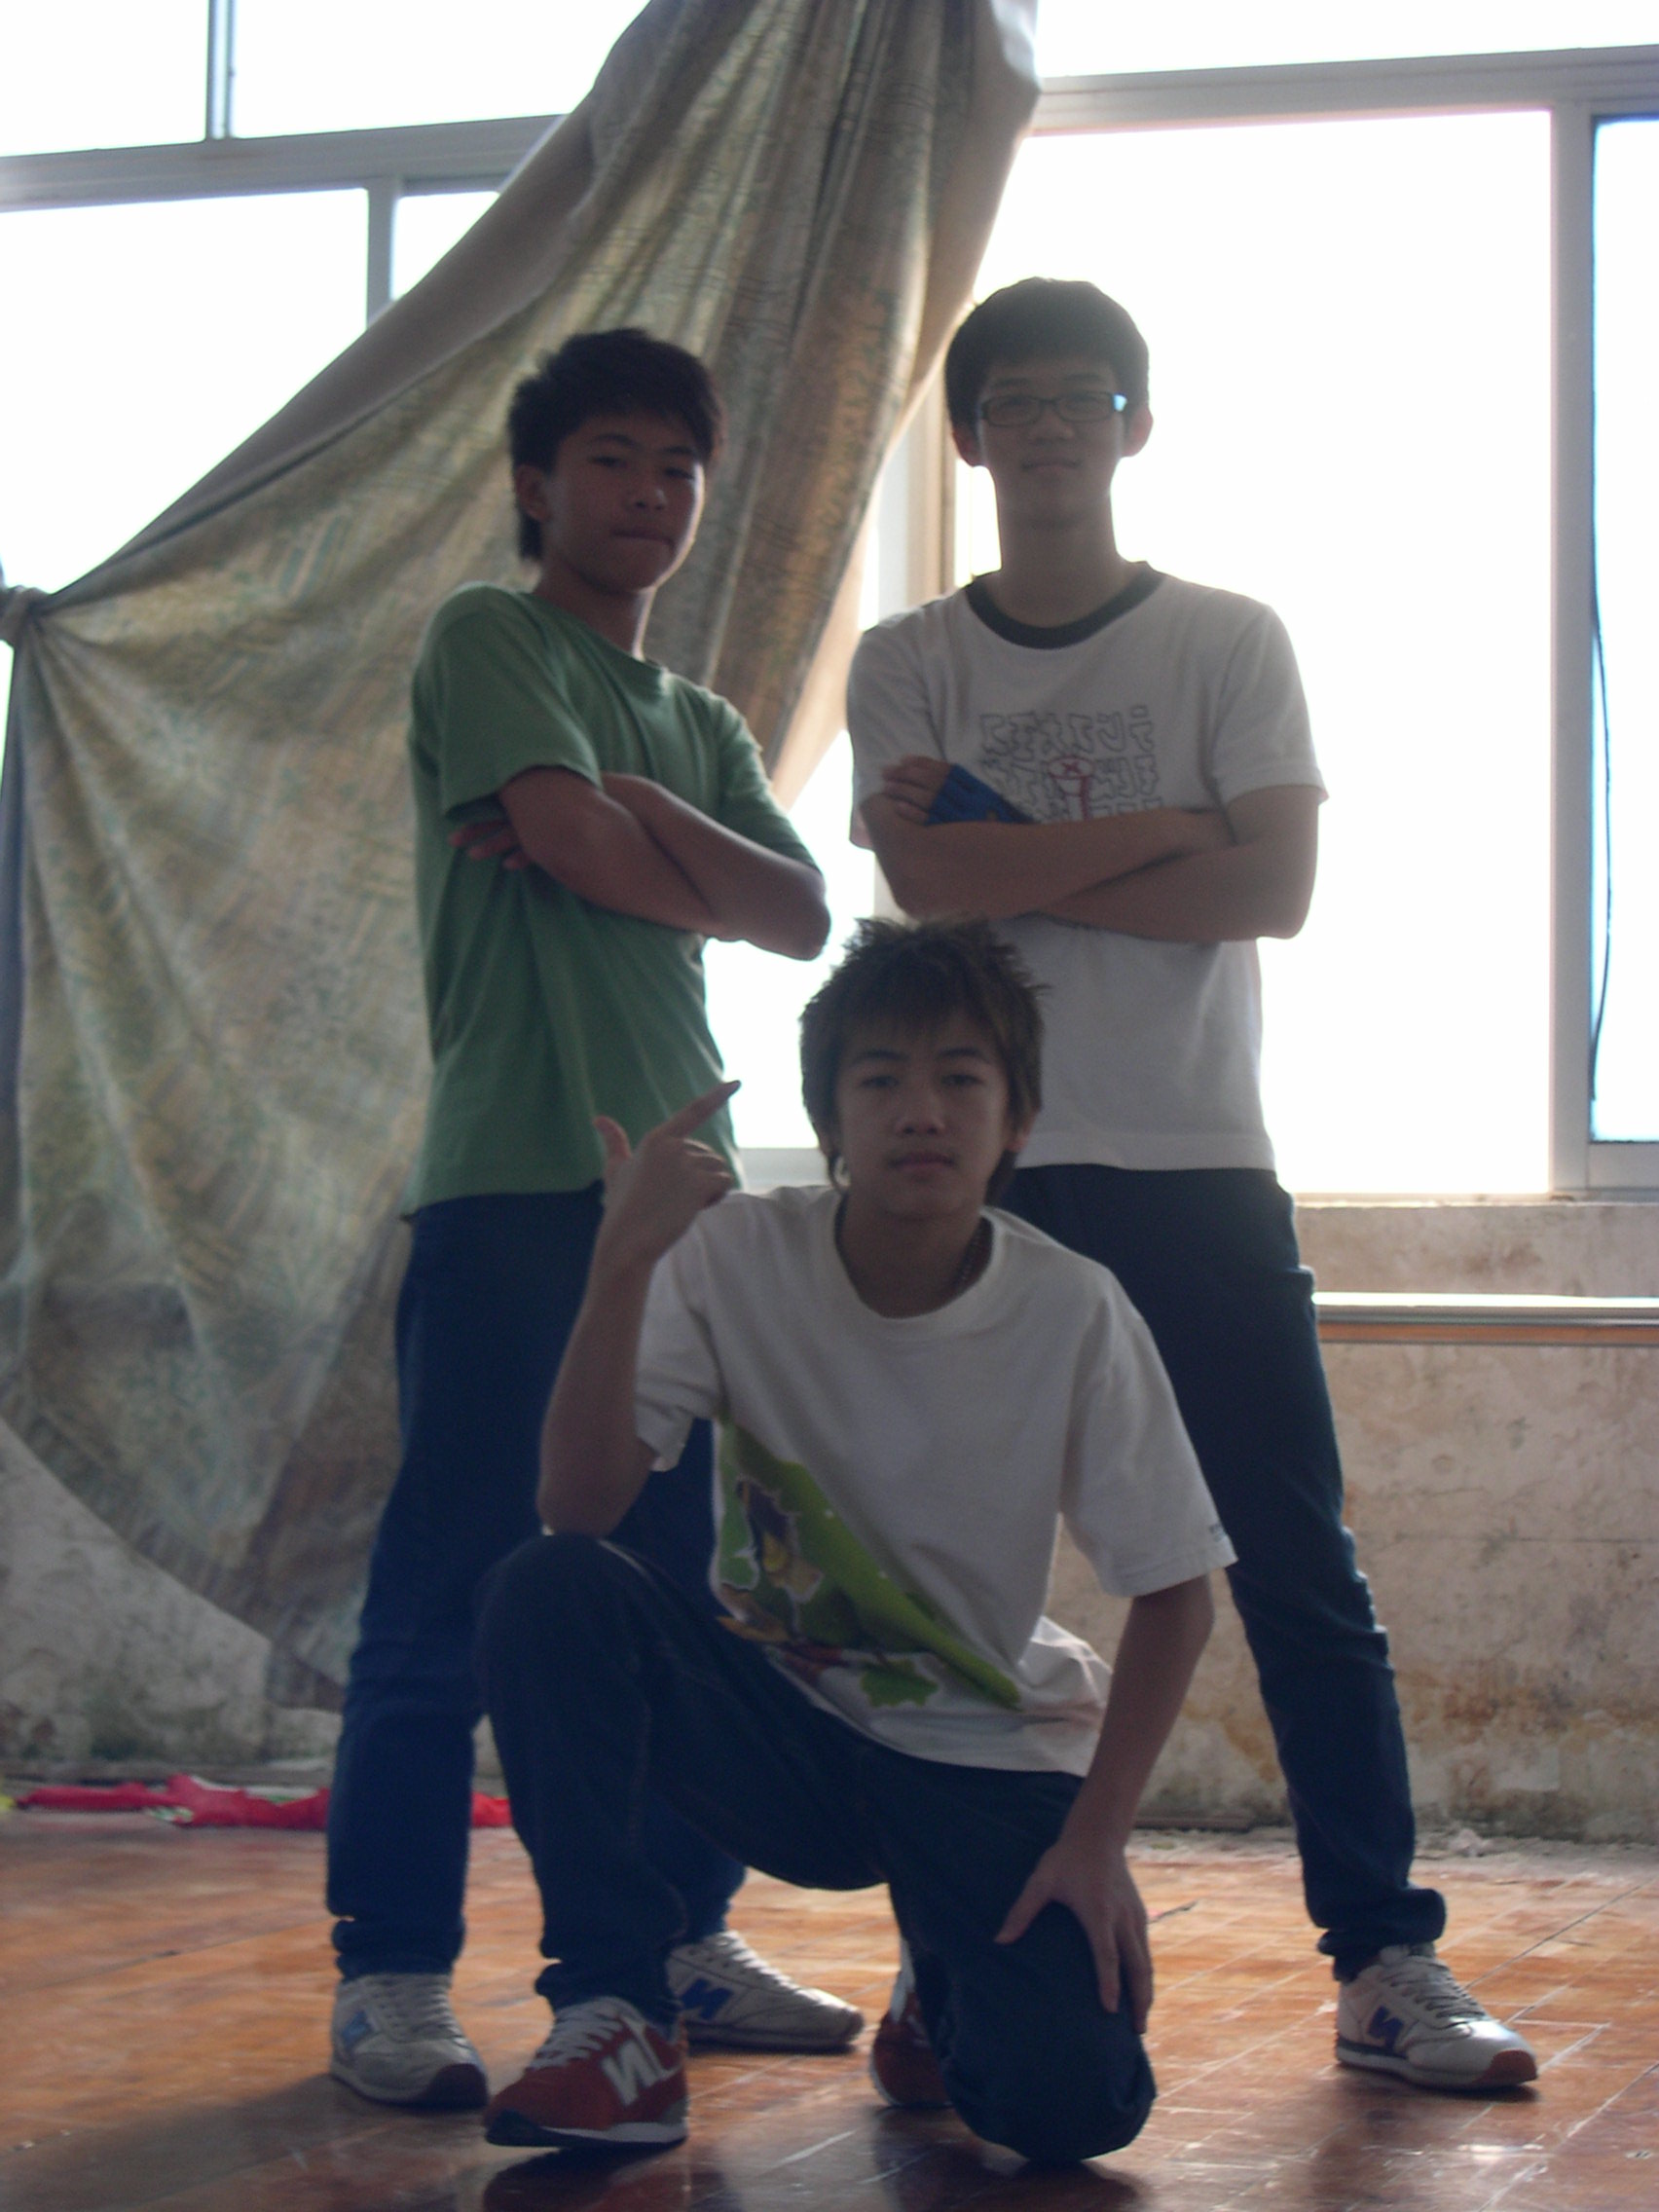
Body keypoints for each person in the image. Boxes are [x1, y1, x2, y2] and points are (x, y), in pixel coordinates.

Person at [846, 277, 1538, 2094]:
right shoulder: (910, 657)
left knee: (1291, 1560)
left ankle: (1382, 1958)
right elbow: (927, 888)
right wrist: (1173, 829)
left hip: (1196, 1159)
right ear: (970, 435)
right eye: (1014, 399)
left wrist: (1013, 846)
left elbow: (1274, 890)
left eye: (1082, 396)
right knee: (949, 1580)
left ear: (1133, 426)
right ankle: (946, 1955)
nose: (1048, 427)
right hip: (986, 1167)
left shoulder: (1228, 638)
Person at [473, 919, 1232, 2160]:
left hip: (984, 1749)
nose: (920, 1111)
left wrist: (1096, 1843)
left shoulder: (1073, 1308)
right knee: (547, 1586)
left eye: (960, 1077)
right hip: (783, 1731)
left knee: (1068, 2109)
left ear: (1018, 1119)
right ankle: (617, 2014)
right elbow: (577, 1506)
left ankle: (943, 1971)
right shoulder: (733, 1253)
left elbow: (1177, 1594)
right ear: (831, 1119)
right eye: (879, 1079)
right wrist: (622, 1261)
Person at [326, 328, 853, 2110]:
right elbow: (564, 845)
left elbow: (799, 917)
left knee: (680, 1598)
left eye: (677, 468)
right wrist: (638, 846)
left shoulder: (696, 721)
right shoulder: (490, 635)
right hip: (516, 1178)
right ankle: (393, 1970)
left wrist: (628, 806)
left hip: (684, 1197)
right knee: (455, 1588)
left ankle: (679, 1941)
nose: (650, 494)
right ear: (536, 484)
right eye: (613, 459)